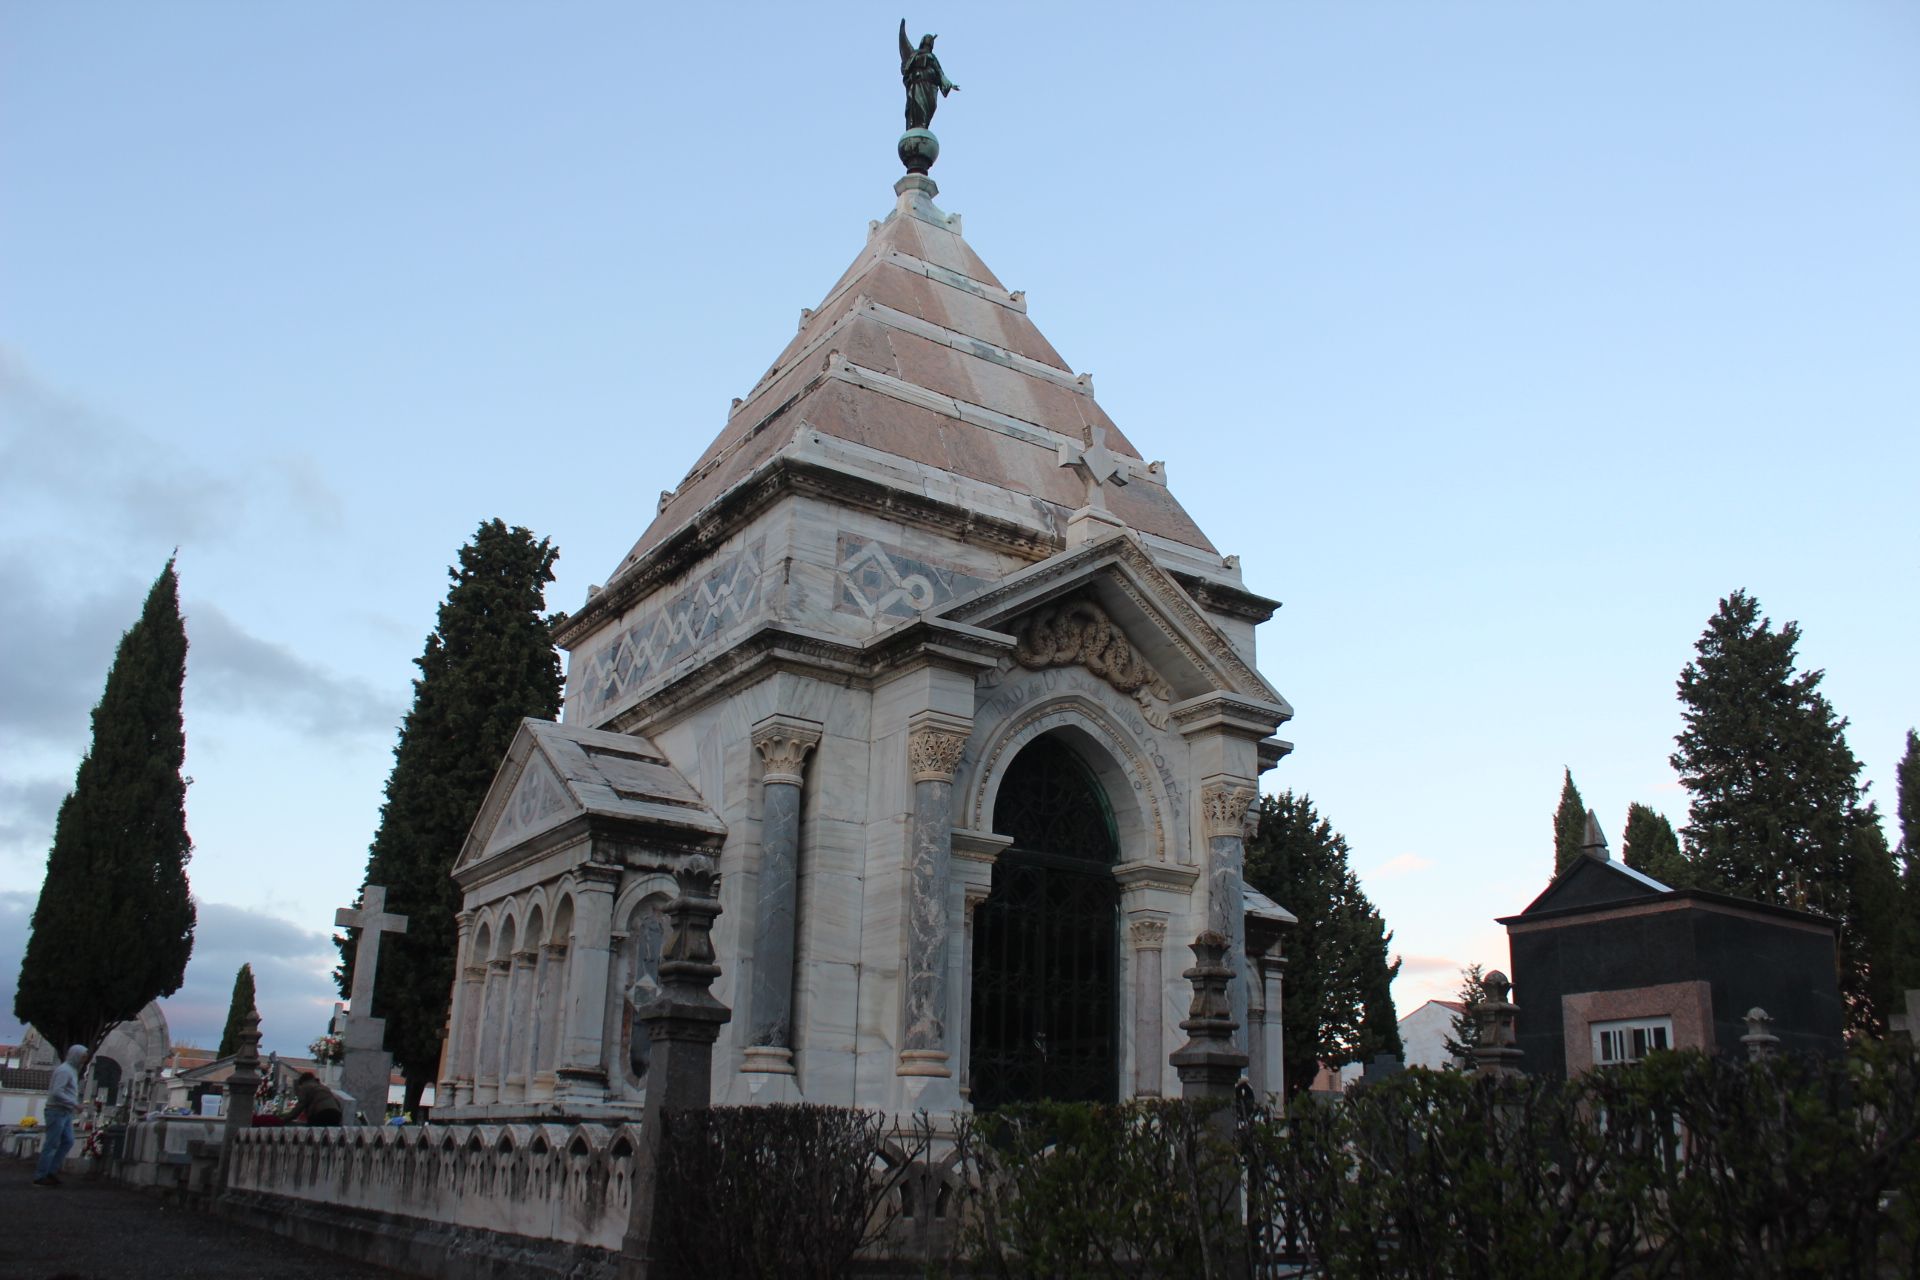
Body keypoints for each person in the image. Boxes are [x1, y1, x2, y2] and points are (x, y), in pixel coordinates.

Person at [32, 1044, 88, 1187]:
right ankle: (41, 1175)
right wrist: (74, 1104)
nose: (84, 1059)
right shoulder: (64, 1071)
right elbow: (57, 1092)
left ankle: (51, 1171)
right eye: (83, 1056)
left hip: (65, 1111)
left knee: (68, 1141)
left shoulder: (72, 1070)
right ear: (76, 1055)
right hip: (56, 1111)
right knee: (52, 1144)